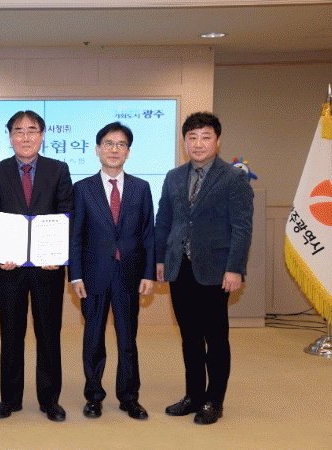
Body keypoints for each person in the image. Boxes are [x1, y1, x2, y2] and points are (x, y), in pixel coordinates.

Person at [155, 112, 254, 425]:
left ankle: (214, 400)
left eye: (205, 137)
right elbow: (163, 220)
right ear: (185, 141)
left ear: (218, 141)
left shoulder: (234, 177)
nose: (198, 144)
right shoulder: (173, 176)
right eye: (192, 137)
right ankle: (194, 395)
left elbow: (242, 227)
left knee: (216, 339)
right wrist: (160, 259)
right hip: (179, 268)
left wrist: (235, 268)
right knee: (189, 337)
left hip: (216, 270)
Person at [0, 110, 74, 422]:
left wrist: (56, 252)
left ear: (42, 135)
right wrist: (0, 250)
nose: (25, 137)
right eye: (19, 131)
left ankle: (50, 400)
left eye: (32, 130)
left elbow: (66, 212)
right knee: (11, 335)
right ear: (10, 137)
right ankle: (10, 399)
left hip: (48, 268)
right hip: (9, 269)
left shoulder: (58, 169)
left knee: (48, 334)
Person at [69, 122, 155, 421]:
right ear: (97, 149)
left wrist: (148, 274)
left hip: (129, 275)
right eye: (108, 143)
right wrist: (75, 275)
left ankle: (129, 397)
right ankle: (94, 397)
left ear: (128, 152)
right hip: (93, 275)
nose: (114, 149)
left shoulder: (141, 188)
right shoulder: (82, 188)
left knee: (127, 340)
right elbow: (75, 235)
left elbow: (148, 234)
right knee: (93, 339)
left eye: (121, 144)